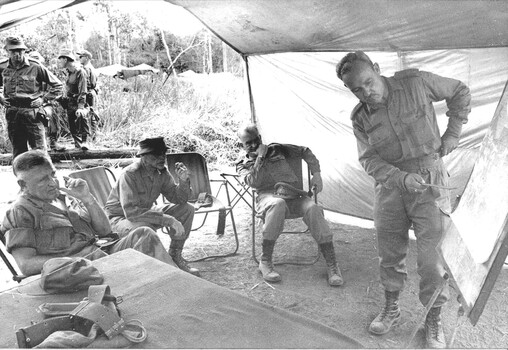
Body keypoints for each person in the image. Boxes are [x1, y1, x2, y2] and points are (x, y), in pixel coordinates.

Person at [335, 51, 471, 348]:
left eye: (368, 82)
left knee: (433, 260)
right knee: (389, 253)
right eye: (356, 89)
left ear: (377, 69)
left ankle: (433, 319)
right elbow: (369, 160)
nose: (365, 92)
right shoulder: (360, 117)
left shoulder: (416, 83)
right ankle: (391, 307)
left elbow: (460, 91)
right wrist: (399, 178)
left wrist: (453, 134)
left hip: (430, 181)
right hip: (391, 188)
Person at [1, 150, 176, 277]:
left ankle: (176, 282)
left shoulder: (65, 197)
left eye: (53, 174)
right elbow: (26, 264)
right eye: (42, 180)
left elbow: (105, 231)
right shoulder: (20, 212)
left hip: (102, 254)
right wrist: (79, 259)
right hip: (78, 271)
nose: (53, 183)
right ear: (23, 185)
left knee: (143, 234)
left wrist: (87, 199)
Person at [236, 124, 343, 287]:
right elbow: (254, 182)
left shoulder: (278, 149)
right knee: (277, 204)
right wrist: (260, 158)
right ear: (241, 146)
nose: (253, 145)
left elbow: (305, 151)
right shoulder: (242, 164)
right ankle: (265, 261)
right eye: (247, 143)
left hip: (293, 195)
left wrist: (317, 174)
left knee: (313, 208)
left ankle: (332, 265)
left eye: (255, 140)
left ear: (260, 138)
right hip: (268, 198)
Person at [105, 137, 199, 276]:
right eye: (156, 154)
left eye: (163, 153)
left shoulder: (161, 172)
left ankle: (175, 255)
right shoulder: (130, 174)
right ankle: (160, 268)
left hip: (144, 212)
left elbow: (178, 199)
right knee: (144, 229)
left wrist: (183, 181)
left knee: (187, 209)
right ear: (143, 156)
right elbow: (131, 212)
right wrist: (169, 220)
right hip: (118, 219)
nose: (162, 157)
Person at [0, 37, 63, 159]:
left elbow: (57, 85)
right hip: (13, 113)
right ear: (7, 51)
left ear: (24, 51)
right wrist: (1, 98)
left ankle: (43, 177)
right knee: (18, 151)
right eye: (13, 51)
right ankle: (22, 177)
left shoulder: (35, 66)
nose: (17, 54)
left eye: (20, 51)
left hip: (32, 113)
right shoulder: (2, 67)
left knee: (39, 151)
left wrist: (43, 99)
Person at [27, 50, 66, 152]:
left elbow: (56, 88)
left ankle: (53, 142)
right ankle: (34, 146)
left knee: (50, 114)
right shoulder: (26, 75)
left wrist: (44, 99)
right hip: (29, 105)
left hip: (46, 103)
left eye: (37, 60)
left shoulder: (45, 73)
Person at [57, 49, 91, 150]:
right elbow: (68, 87)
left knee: (82, 118)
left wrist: (81, 107)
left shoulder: (80, 72)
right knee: (72, 125)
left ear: (66, 59)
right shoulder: (68, 72)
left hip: (80, 101)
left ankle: (85, 142)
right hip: (70, 102)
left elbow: (83, 90)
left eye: (60, 59)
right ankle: (77, 146)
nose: (59, 62)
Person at [77, 49, 100, 140]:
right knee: (92, 113)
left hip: (88, 93)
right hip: (91, 92)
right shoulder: (90, 68)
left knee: (89, 114)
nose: (79, 58)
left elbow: (88, 84)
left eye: (81, 57)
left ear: (86, 58)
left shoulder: (86, 69)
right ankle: (93, 135)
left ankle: (92, 136)